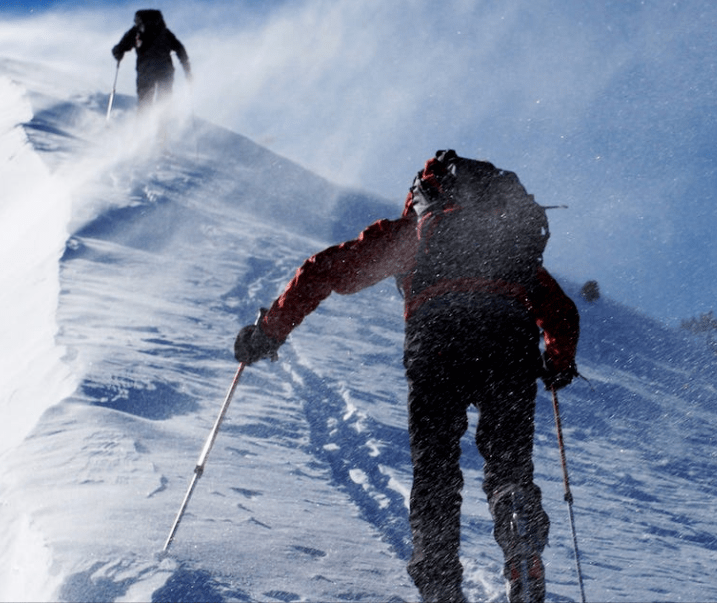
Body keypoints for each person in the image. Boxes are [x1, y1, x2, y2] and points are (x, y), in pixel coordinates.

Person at [234, 151, 580, 603]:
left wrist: (268, 332)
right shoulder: (507, 240)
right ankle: (519, 533)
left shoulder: (414, 233)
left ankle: (440, 585)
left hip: (436, 339)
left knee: (435, 467)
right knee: (508, 462)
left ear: (424, 192)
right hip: (507, 339)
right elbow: (562, 314)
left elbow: (325, 270)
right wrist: (556, 363)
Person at [111, 9, 191, 112]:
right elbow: (180, 49)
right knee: (164, 100)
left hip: (145, 71)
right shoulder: (164, 32)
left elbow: (119, 48)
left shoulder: (136, 32)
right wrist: (186, 68)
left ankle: (143, 124)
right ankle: (162, 124)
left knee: (145, 101)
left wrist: (118, 53)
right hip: (165, 70)